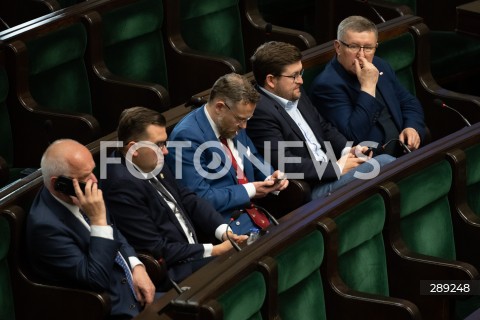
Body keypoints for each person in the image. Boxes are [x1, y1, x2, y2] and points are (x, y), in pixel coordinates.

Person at [101, 106, 248, 288]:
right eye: (159, 144)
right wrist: (213, 250)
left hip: (193, 251)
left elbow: (187, 198)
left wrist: (224, 231)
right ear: (133, 149)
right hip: (173, 272)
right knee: (241, 269)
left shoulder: (153, 160)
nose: (165, 151)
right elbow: (156, 248)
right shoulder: (120, 185)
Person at [247, 41, 396, 199]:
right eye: (294, 76)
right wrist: (337, 168)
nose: (301, 80)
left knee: (380, 154)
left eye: (300, 73)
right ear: (271, 80)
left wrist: (348, 150)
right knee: (386, 163)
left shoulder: (293, 90)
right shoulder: (259, 112)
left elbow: (323, 127)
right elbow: (286, 163)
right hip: (314, 188)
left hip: (333, 167)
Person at [26, 139, 155, 319]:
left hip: (137, 298)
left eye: (92, 171)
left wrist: (136, 266)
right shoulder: (45, 228)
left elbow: (114, 234)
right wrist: (98, 220)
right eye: (85, 177)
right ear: (59, 184)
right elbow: (96, 280)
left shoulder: (82, 192)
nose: (94, 180)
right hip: (109, 311)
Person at [167, 73, 289, 235]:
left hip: (258, 212)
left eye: (247, 119)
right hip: (225, 226)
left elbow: (253, 156)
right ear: (220, 107)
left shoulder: (233, 124)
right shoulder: (186, 137)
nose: (244, 127)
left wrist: (271, 178)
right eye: (240, 119)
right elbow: (199, 199)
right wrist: (250, 190)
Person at [310, 16, 425, 156]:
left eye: (369, 48)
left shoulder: (380, 64)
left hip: (405, 150)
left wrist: (412, 127)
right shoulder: (326, 86)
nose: (361, 55)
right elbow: (353, 136)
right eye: (353, 46)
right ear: (338, 47)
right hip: (373, 162)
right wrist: (368, 88)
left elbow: (409, 102)